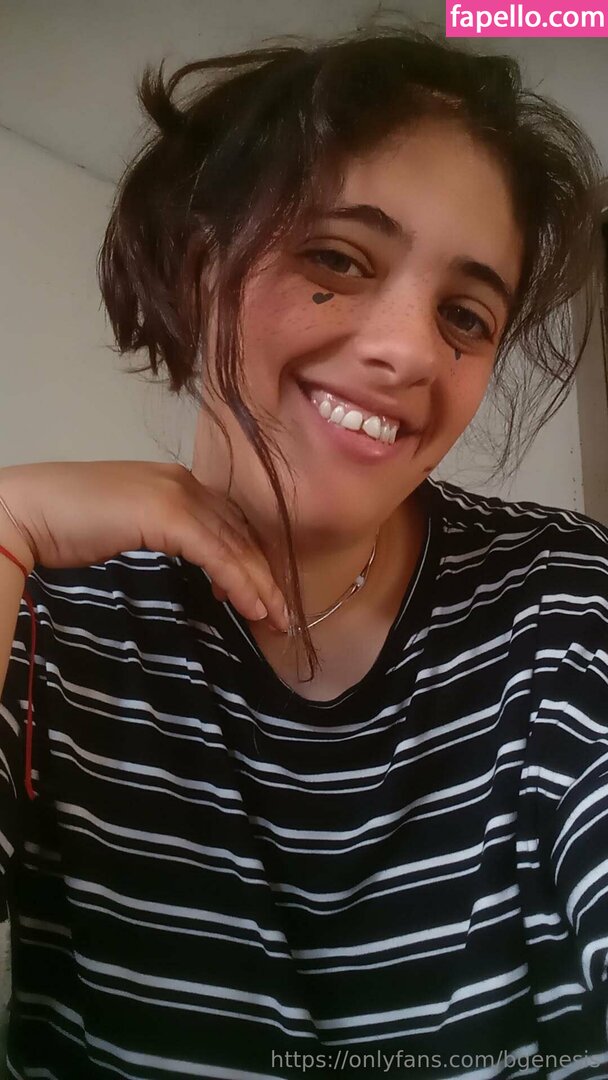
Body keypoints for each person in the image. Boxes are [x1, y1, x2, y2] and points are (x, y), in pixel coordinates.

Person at [0, 22, 607, 1080]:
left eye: (465, 316)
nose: (411, 350)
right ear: (200, 267)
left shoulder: (563, 601)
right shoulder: (43, 612)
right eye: (336, 257)